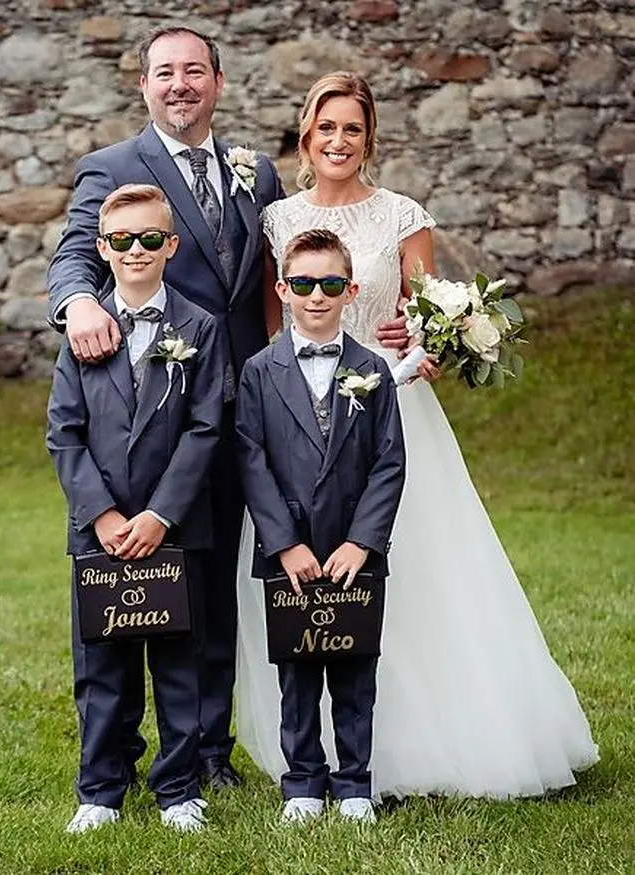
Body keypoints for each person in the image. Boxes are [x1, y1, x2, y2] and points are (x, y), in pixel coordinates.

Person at [236, 71, 599, 799]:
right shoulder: (277, 222)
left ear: (370, 139)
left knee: (416, 584)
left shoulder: (403, 214)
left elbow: (422, 315)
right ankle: (313, 757)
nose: (339, 140)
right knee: (308, 581)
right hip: (298, 425)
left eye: (354, 129)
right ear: (306, 135)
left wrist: (425, 346)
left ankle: (427, 746)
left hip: (390, 410)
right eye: (327, 127)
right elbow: (273, 336)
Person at [46, 25, 289, 789]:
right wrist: (80, 301)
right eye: (163, 72)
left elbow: (287, 275)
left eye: (193, 71)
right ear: (144, 85)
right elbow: (75, 253)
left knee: (215, 585)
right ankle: (114, 754)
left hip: (241, 410)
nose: (179, 84)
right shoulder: (111, 167)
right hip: (154, 408)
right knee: (139, 584)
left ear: (217, 81)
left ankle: (208, 753)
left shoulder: (260, 172)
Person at [47, 184, 224, 832]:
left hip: (173, 529)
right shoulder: (83, 330)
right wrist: (101, 514)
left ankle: (179, 788)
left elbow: (206, 429)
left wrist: (160, 515)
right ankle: (100, 789)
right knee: (102, 670)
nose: (136, 250)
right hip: (100, 532)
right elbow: (62, 432)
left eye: (150, 238)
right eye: (122, 240)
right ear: (103, 248)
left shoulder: (200, 328)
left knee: (179, 665)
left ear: (170, 244)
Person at [236, 229, 405, 823]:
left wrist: (363, 541)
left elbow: (390, 462)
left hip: (354, 551)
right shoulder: (259, 371)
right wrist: (284, 545)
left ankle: (355, 781)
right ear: (283, 288)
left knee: (356, 670)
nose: (316, 296)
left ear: (350, 290)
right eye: (302, 284)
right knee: (298, 670)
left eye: (330, 284)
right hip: (292, 555)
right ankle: (303, 781)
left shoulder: (373, 371)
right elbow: (250, 458)